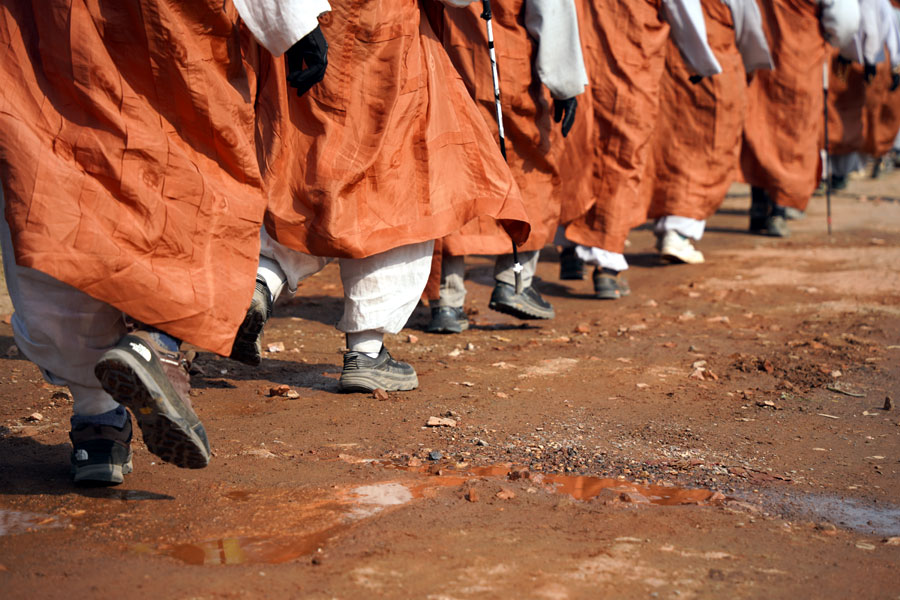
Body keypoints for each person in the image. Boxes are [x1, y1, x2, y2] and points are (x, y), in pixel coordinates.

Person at [0, 0, 331, 485]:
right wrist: (292, 18)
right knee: (185, 174)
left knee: (58, 189)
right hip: (164, 25)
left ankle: (98, 420)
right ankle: (160, 343)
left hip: (41, 22)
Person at [230, 0, 531, 390]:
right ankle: (366, 352)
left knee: (309, 174)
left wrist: (293, 22)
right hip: (389, 44)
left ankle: (262, 281)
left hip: (309, 33)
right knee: (397, 193)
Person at [421, 0, 588, 333]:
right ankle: (515, 281)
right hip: (506, 66)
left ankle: (447, 300)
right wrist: (565, 85)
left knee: (451, 171)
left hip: (441, 57)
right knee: (528, 171)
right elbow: (550, 12)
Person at [557, 0, 723, 299]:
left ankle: (569, 246)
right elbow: (683, 9)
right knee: (622, 158)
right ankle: (607, 266)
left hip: (577, 61)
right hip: (631, 66)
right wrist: (699, 60)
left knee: (576, 147)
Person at [644, 0, 773, 265]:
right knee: (707, 149)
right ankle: (679, 230)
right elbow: (748, 26)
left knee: (670, 145)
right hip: (713, 66)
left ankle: (670, 224)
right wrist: (751, 63)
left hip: (664, 61)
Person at [741, 0, 860, 237]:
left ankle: (758, 204)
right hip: (802, 59)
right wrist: (833, 40)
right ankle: (779, 208)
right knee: (793, 131)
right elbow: (845, 21)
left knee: (760, 124)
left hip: (761, 51)